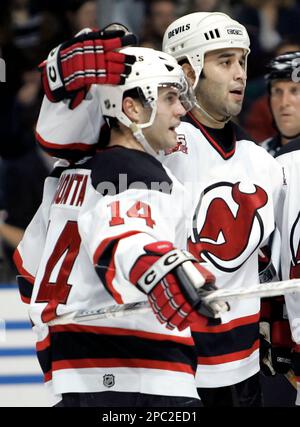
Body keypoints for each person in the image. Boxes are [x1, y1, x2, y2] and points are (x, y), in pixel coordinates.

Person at [33, 13, 285, 406]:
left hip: (236, 365)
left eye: (242, 61)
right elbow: (70, 145)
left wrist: (273, 324)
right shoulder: (148, 144)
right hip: (155, 363)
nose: (239, 75)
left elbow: (266, 261)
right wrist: (65, 81)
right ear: (187, 70)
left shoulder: (263, 163)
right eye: (224, 61)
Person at [14, 45, 225, 407]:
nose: (181, 110)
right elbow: (125, 233)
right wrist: (159, 270)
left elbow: (28, 272)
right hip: (141, 377)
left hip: (77, 378)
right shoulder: (137, 172)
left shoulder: (66, 176)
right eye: (170, 98)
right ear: (131, 108)